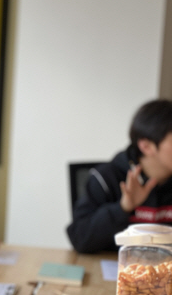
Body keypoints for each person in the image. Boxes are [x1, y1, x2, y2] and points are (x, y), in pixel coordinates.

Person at [67, 99, 172, 253]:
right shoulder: (106, 178)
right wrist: (123, 208)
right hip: (115, 271)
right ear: (146, 146)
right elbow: (80, 239)